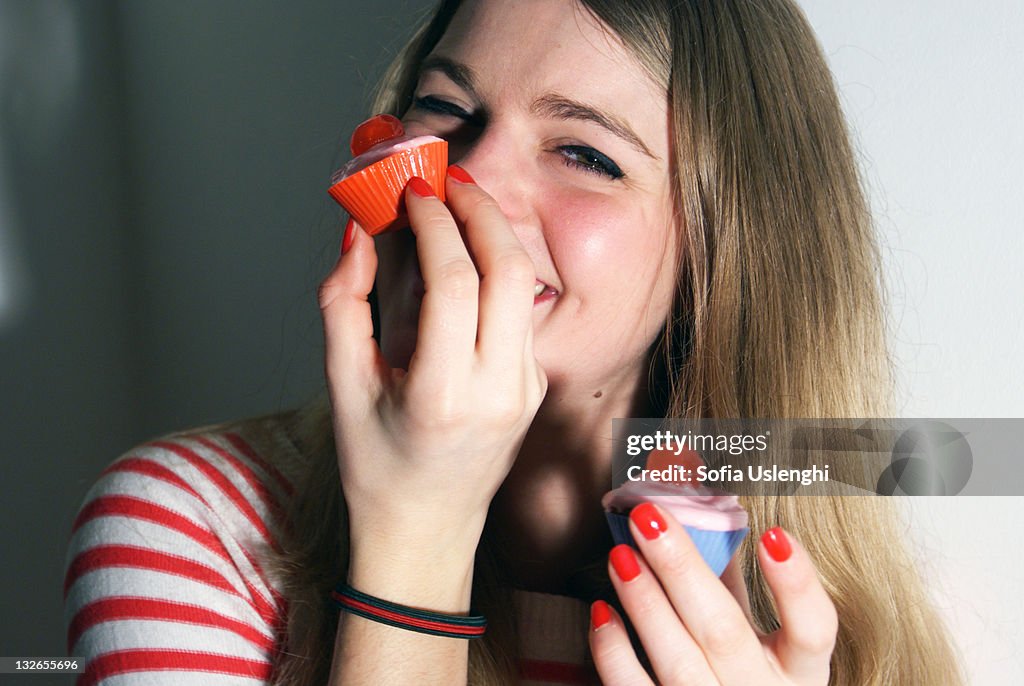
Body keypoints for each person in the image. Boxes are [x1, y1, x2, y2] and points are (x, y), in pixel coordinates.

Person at [64, 1, 964, 684]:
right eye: (446, 107)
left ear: (731, 251)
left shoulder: (843, 597)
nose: (468, 177)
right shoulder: (195, 524)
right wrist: (415, 531)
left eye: (585, 154)